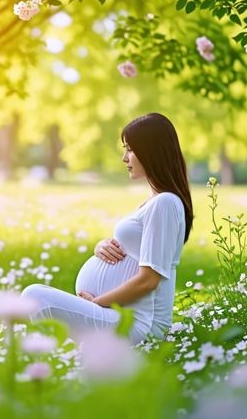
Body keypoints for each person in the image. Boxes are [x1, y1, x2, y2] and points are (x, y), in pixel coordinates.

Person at [20, 113, 193, 345]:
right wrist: (103, 246)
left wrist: (96, 303)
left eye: (130, 149)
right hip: (120, 315)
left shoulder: (165, 203)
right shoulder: (156, 202)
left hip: (138, 323)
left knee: (34, 296)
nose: (125, 158)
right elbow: (134, 248)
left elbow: (148, 280)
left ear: (151, 151)